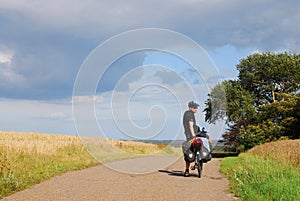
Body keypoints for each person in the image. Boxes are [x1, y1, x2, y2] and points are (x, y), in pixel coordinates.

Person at [182, 100, 199, 177]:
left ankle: (189, 168)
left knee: (192, 150)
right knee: (190, 151)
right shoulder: (190, 114)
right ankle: (187, 169)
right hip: (190, 136)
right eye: (195, 107)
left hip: (189, 135)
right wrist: (194, 136)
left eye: (196, 107)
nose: (196, 109)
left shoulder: (187, 113)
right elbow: (190, 126)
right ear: (190, 107)